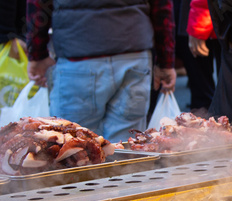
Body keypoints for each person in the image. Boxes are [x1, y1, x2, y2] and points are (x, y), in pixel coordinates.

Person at [26, 0, 177, 143]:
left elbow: (38, 6)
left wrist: (37, 54)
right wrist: (166, 62)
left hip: (78, 55)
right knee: (124, 148)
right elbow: (162, 8)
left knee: (73, 146)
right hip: (132, 54)